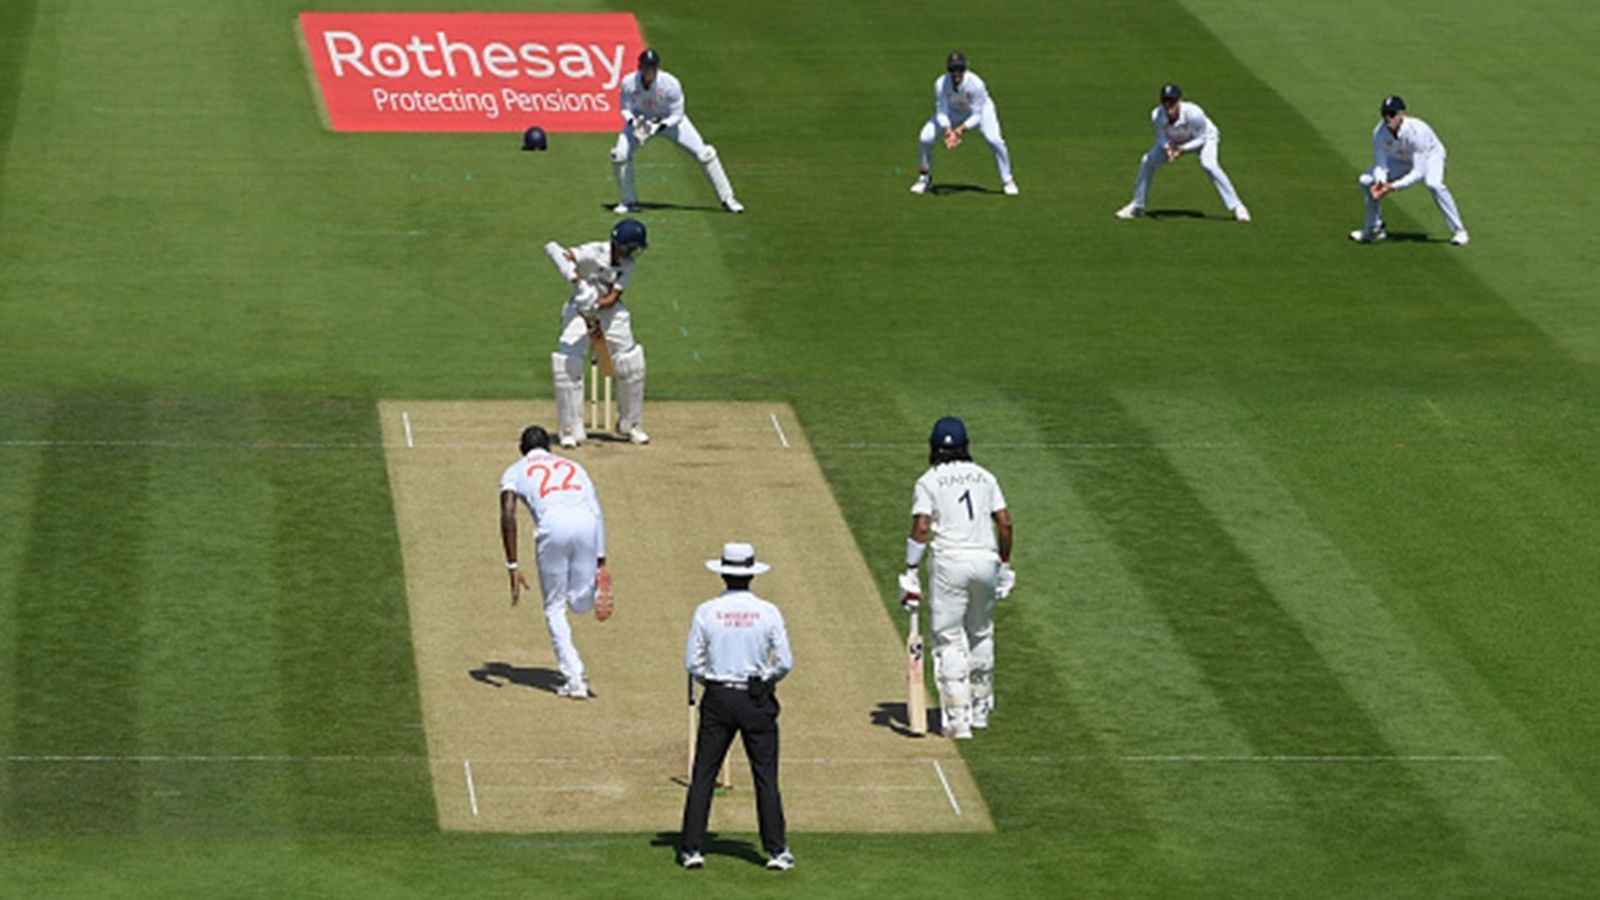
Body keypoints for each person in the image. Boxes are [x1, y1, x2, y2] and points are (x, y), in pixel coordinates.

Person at [678, 542, 794, 872]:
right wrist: (765, 678)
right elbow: (785, 661)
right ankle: (776, 850)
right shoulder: (768, 611)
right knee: (766, 777)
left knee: (703, 774)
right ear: (750, 575)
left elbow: (692, 662)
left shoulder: (706, 611)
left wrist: (714, 682)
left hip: (718, 696)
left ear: (724, 574)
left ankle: (691, 849)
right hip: (756, 696)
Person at [898, 417, 1014, 739]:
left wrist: (910, 571)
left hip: (950, 562)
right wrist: (1005, 566)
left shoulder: (929, 481)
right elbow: (1004, 523)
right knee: (981, 632)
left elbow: (922, 526)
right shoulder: (986, 477)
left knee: (949, 639)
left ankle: (958, 721)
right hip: (986, 560)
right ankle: (980, 712)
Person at [498, 424, 613, 699]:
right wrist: (601, 559)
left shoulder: (514, 470)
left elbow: (508, 514)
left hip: (553, 526)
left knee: (555, 607)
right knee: (579, 603)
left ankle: (574, 678)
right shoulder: (574, 466)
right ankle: (594, 587)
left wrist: (512, 565)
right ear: (549, 448)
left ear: (522, 449)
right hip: (586, 524)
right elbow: (596, 510)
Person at [542, 219, 650, 447]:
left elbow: (613, 298)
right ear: (619, 244)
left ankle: (630, 423)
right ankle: (570, 428)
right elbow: (563, 255)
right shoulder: (593, 252)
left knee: (631, 363)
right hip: (577, 308)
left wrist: (596, 305)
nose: (633, 253)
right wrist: (579, 286)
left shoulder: (628, 264)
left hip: (609, 312)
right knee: (567, 363)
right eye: (631, 247)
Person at [611, 48, 743, 214]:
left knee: (705, 154)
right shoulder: (628, 82)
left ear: (657, 68)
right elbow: (624, 108)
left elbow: (677, 114)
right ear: (640, 67)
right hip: (641, 120)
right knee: (620, 155)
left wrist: (659, 126)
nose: (648, 71)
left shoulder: (671, 84)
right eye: (645, 67)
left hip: (670, 122)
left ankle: (728, 199)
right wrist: (634, 123)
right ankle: (628, 201)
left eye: (652, 67)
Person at [1115, 83, 1250, 222]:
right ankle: (1137, 206)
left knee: (1209, 164)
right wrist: (1167, 147)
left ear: (1180, 100)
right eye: (1165, 101)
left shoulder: (1194, 113)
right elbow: (1161, 136)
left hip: (1204, 138)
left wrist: (1181, 149)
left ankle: (1238, 207)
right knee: (1147, 161)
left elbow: (1202, 138)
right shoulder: (1157, 115)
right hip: (1175, 141)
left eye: (1172, 101)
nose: (1168, 105)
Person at [1350, 95, 1468, 246]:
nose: (1387, 118)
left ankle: (1459, 230)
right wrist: (1381, 182)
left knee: (1433, 184)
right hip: (1401, 158)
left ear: (1401, 115)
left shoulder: (1417, 132)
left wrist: (1391, 187)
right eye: (1384, 114)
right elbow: (1381, 165)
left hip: (1430, 156)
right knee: (1366, 181)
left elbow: (1418, 172)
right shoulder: (1379, 133)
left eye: (1392, 114)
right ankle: (1373, 229)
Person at [909, 51, 1018, 196]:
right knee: (925, 138)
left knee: (995, 140)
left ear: (966, 68)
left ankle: (1008, 180)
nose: (956, 74)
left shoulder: (976, 85)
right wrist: (948, 129)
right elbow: (941, 111)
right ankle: (924, 178)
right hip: (953, 110)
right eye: (953, 70)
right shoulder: (940, 84)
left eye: (959, 69)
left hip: (980, 111)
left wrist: (959, 130)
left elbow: (977, 115)